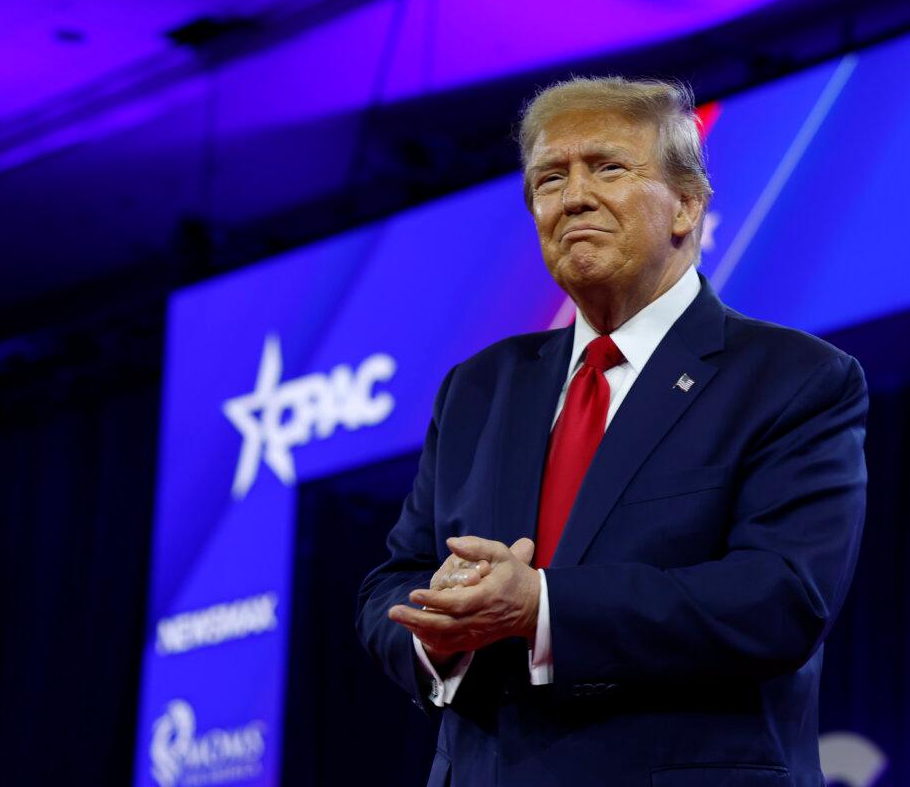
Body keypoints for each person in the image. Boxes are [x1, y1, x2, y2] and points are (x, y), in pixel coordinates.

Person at [356, 76, 868, 787]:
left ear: (687, 205)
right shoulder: (478, 387)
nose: (572, 198)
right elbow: (396, 579)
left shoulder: (793, 378)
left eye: (608, 168)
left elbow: (780, 597)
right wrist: (436, 625)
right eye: (548, 179)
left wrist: (542, 607)